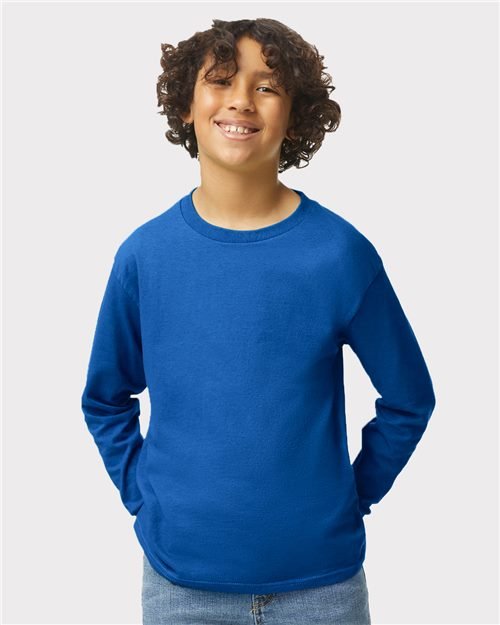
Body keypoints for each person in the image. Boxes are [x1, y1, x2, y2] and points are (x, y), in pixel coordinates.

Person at [81, 17, 436, 625]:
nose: (241, 99)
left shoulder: (339, 254)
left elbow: (409, 399)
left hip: (321, 590)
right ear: (187, 107)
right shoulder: (144, 256)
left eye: (267, 87)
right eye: (220, 80)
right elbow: (105, 398)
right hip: (180, 587)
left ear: (294, 116)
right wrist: (144, 497)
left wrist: (352, 496)